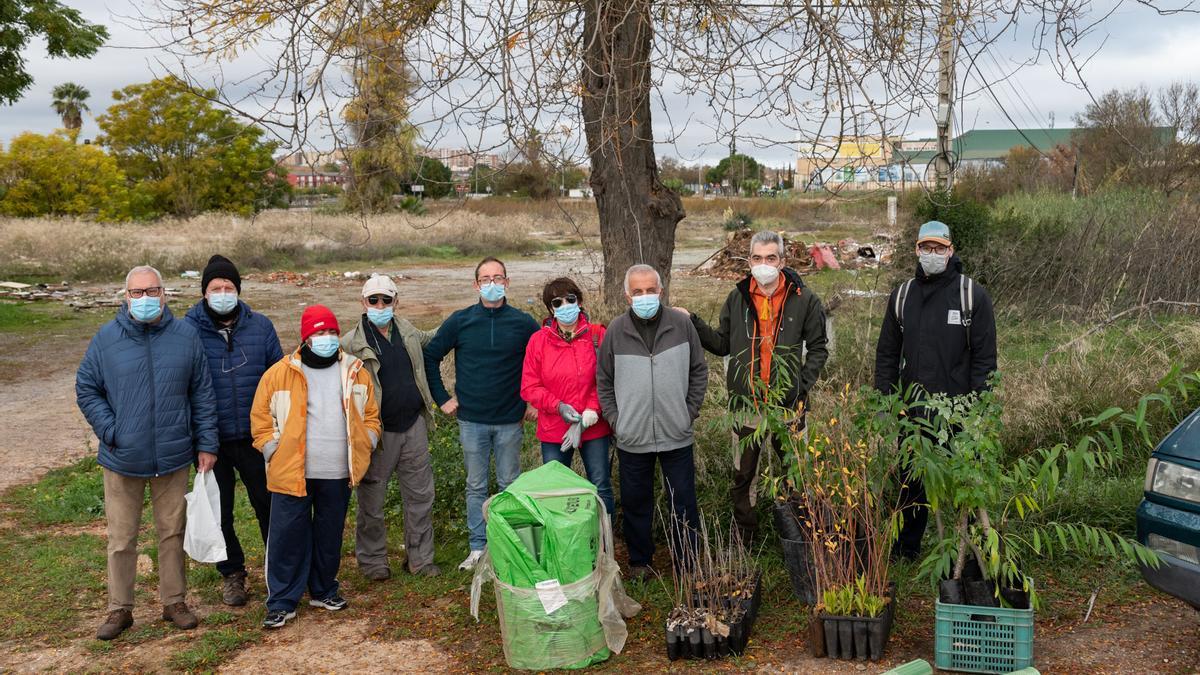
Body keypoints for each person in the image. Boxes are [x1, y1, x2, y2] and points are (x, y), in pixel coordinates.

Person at [76, 265, 219, 640]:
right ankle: (119, 609)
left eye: (151, 291)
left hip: (172, 456)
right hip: (123, 458)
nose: (144, 299)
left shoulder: (186, 337)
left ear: (164, 293)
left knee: (172, 532)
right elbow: (87, 387)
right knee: (122, 538)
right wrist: (111, 430)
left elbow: (202, 393)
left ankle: (174, 602)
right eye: (136, 293)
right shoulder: (107, 339)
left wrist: (206, 443)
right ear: (126, 297)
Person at [686, 230, 829, 542]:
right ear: (749, 260)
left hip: (787, 407)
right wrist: (693, 322)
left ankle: (798, 535)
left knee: (796, 473)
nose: (764, 264)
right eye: (757, 258)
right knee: (743, 475)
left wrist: (800, 386)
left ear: (782, 260)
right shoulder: (737, 297)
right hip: (746, 406)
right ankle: (746, 537)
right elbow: (723, 344)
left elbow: (819, 348)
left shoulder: (804, 299)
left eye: (771, 258)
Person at [250, 305, 381, 629]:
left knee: (328, 534)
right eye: (319, 333)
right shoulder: (280, 372)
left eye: (332, 333)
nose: (326, 338)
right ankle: (282, 601)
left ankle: (323, 589)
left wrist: (368, 440)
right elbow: (261, 418)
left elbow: (371, 416)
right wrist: (273, 449)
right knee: (286, 537)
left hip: (337, 471)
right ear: (306, 337)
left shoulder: (355, 370)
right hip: (292, 471)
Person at [874, 220, 997, 560]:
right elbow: (887, 353)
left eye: (939, 248)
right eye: (926, 248)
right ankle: (907, 549)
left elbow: (985, 360)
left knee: (961, 482)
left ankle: (969, 551)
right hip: (912, 412)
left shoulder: (971, 296)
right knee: (911, 481)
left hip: (958, 412)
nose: (932, 254)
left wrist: (979, 412)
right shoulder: (903, 296)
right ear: (916, 250)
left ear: (951, 251)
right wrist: (885, 401)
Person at [423, 256, 539, 572]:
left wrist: (534, 401)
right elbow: (430, 356)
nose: (492, 284)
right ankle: (477, 547)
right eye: (485, 279)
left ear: (507, 282)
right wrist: (442, 398)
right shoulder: (460, 321)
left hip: (510, 421)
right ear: (476, 285)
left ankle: (510, 547)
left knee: (509, 485)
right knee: (475, 486)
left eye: (498, 277)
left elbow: (540, 362)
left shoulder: (524, 323)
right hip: (471, 420)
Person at [597, 264, 708, 580]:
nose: (645, 296)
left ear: (661, 291)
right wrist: (618, 421)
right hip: (633, 436)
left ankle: (686, 563)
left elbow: (699, 371)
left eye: (650, 290)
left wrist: (688, 413)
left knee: (683, 501)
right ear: (627, 296)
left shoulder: (681, 325)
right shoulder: (616, 332)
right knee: (636, 502)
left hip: (676, 433)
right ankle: (640, 563)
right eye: (637, 292)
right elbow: (604, 380)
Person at [184, 255, 283, 606]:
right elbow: (184, 385)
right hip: (211, 440)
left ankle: (280, 569)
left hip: (257, 437)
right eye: (215, 288)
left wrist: (276, 430)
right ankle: (232, 573)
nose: (223, 293)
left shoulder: (261, 327)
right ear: (204, 293)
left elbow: (278, 381)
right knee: (219, 510)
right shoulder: (188, 330)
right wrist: (197, 437)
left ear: (238, 291)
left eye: (228, 288)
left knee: (270, 505)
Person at [342, 274, 441, 580]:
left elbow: (438, 337)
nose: (380, 305)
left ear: (396, 302)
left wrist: (467, 321)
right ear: (363, 303)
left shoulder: (408, 332)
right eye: (374, 300)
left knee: (421, 496)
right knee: (372, 499)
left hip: (413, 426)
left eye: (386, 299)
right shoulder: (350, 345)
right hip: (377, 434)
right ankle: (373, 563)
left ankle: (421, 560)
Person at [520, 277, 614, 517]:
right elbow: (529, 386)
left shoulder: (597, 335)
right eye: (557, 302)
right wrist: (558, 406)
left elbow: (607, 378)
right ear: (551, 309)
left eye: (570, 299)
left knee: (600, 486)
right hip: (554, 429)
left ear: (579, 301)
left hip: (593, 426)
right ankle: (563, 544)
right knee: (556, 490)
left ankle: (604, 544)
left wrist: (593, 409)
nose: (565, 305)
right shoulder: (538, 341)